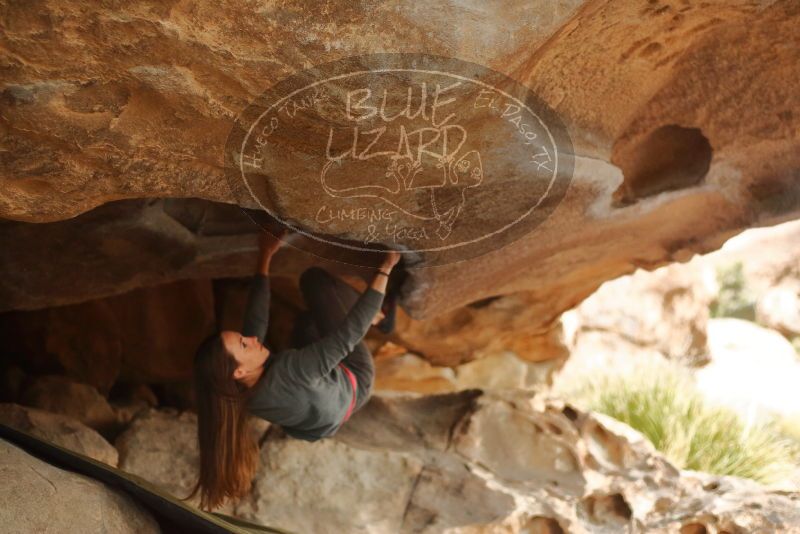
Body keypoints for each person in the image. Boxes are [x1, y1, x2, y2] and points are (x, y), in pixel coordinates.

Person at [186, 229, 401, 511]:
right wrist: (385, 269)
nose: (251, 340)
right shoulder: (290, 369)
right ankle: (382, 317)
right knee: (314, 282)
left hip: (328, 415)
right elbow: (347, 336)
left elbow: (256, 321)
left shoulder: (236, 395)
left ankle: (356, 320)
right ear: (238, 371)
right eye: (244, 344)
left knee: (306, 325)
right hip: (355, 379)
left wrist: (265, 256)